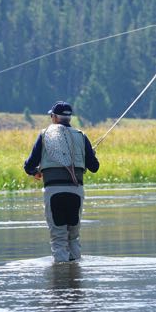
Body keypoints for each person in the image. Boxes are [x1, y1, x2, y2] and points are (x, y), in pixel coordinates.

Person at [24, 100, 100, 263]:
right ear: (69, 119)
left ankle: (60, 280)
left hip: (53, 192)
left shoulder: (44, 135)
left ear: (53, 117)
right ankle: (75, 279)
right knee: (73, 237)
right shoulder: (81, 136)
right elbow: (94, 167)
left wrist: (35, 172)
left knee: (58, 238)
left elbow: (29, 165)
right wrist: (90, 154)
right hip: (76, 192)